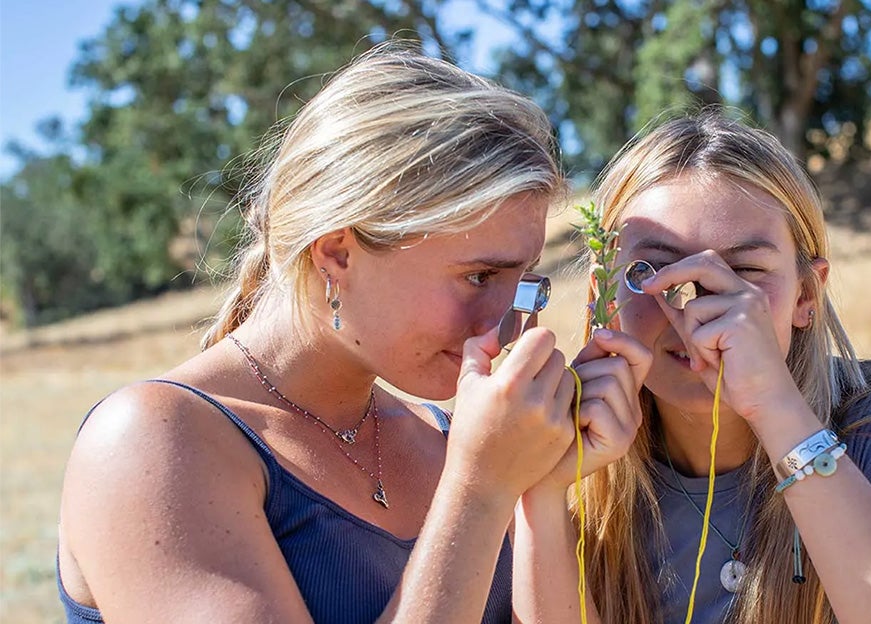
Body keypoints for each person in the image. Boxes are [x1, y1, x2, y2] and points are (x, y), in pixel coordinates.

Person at [55, 42, 648, 623]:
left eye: (521, 281)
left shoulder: (447, 437)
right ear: (338, 252)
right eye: (478, 276)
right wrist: (479, 489)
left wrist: (537, 486)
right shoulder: (152, 442)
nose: (503, 323)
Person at [512, 111, 871, 623]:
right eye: (651, 271)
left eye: (744, 272)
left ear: (805, 295)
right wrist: (543, 492)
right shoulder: (563, 448)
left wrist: (776, 410)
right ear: (602, 292)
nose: (698, 307)